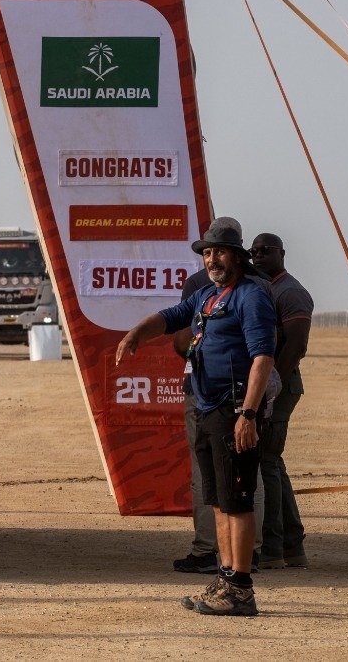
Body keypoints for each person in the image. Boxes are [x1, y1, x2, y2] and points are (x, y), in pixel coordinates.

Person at [116, 216, 276, 617]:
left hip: (233, 408)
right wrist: (137, 332)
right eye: (207, 253)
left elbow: (263, 358)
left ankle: (241, 590)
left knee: (237, 500)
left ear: (237, 256)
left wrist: (248, 415)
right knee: (219, 500)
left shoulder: (251, 296)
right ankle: (225, 577)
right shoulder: (207, 294)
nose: (211, 259)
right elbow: (171, 316)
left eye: (219, 252)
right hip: (207, 407)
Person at [250, 232, 314, 568]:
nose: (258, 256)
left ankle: (272, 548)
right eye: (254, 251)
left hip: (280, 387)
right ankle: (292, 545)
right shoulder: (264, 288)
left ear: (282, 254)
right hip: (269, 385)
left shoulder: (290, 292)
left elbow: (296, 346)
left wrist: (270, 384)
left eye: (266, 251)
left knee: (266, 462)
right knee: (273, 462)